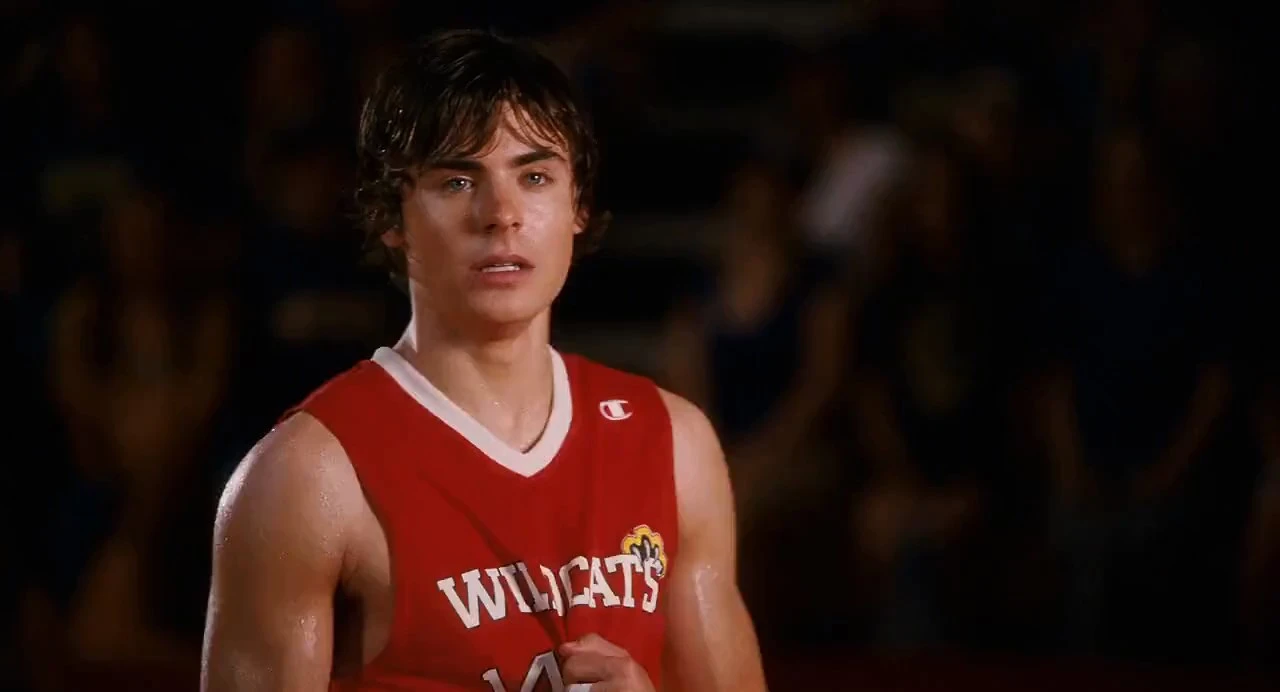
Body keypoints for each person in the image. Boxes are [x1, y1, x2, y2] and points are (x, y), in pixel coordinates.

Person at [201, 29, 767, 692]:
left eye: (534, 177)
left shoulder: (673, 444)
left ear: (578, 206)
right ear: (392, 216)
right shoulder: (305, 477)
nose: (501, 214)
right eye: (457, 180)